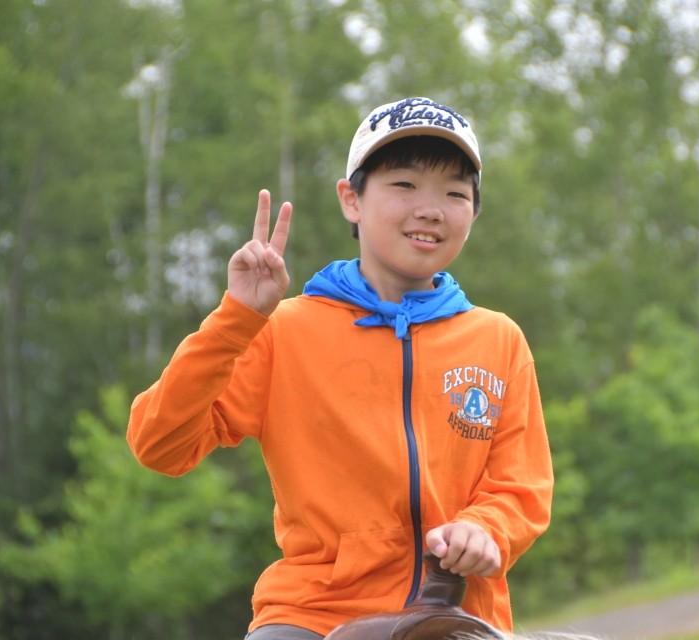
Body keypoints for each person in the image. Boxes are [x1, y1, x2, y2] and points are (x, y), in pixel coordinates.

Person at [127, 97, 554, 640]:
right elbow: (159, 445)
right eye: (405, 185)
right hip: (311, 615)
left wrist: (484, 529)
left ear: (473, 213)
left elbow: (521, 487)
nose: (431, 209)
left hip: (456, 617)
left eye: (455, 193)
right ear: (351, 199)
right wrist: (236, 320)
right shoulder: (282, 331)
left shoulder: (498, 340)